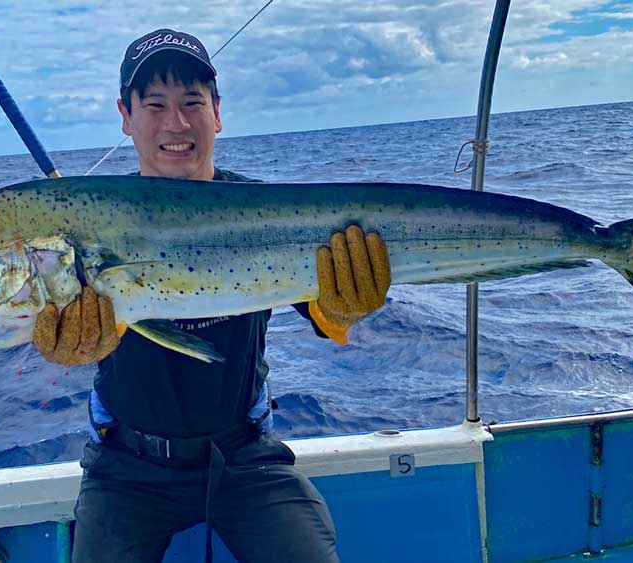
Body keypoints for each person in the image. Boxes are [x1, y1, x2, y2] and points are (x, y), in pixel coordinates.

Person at [32, 29, 391, 563]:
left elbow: (323, 314)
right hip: (126, 471)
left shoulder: (266, 211)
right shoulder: (87, 225)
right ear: (125, 117)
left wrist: (343, 305)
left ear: (217, 113)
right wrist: (62, 341)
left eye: (192, 103)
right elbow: (35, 321)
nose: (175, 123)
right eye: (154, 104)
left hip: (245, 457)